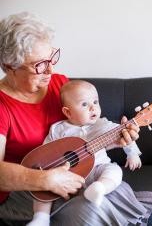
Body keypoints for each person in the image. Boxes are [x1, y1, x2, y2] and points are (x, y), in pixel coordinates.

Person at [0, 12, 152, 226]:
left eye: (52, 58)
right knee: (89, 210)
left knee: (104, 191)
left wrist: (116, 140)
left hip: (78, 174)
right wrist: (44, 179)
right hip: (27, 191)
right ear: (10, 67)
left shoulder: (59, 85)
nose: (50, 70)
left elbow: (82, 136)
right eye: (39, 65)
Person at [28, 80, 145, 226]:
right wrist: (45, 170)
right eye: (84, 104)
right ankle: (41, 218)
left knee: (114, 170)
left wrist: (132, 153)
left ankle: (100, 188)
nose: (92, 108)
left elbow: (126, 134)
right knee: (44, 185)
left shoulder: (103, 125)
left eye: (95, 102)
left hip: (97, 170)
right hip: (67, 175)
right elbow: (46, 151)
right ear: (67, 112)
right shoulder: (58, 129)